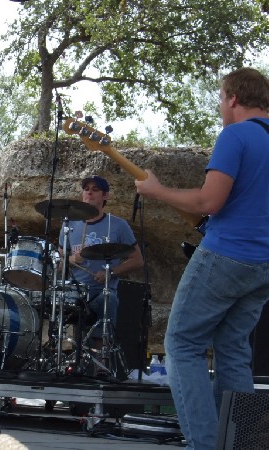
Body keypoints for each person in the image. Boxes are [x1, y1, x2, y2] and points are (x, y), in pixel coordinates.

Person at [135, 67, 269, 449]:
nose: (220, 108)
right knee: (233, 350)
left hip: (227, 255)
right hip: (264, 266)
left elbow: (210, 201)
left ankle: (205, 444)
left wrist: (158, 191)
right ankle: (239, 443)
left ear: (233, 98)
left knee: (182, 344)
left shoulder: (235, 134)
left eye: (221, 99)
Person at [58, 175, 144, 347]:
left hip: (101, 290)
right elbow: (58, 264)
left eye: (95, 189)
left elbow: (138, 260)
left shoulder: (118, 225)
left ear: (106, 196)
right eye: (86, 189)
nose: (89, 193)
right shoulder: (70, 225)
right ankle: (61, 351)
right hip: (75, 292)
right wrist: (71, 259)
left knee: (109, 299)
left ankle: (100, 359)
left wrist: (110, 273)